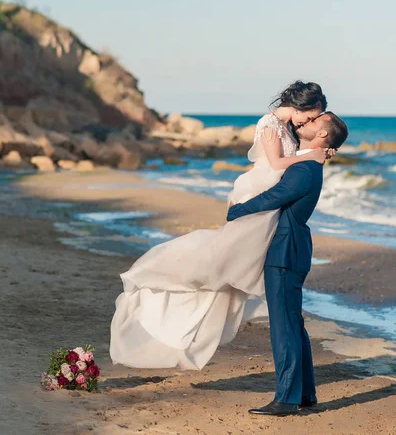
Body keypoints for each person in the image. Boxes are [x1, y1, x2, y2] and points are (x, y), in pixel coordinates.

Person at [110, 81, 329, 370]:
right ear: (300, 106)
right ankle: (165, 292)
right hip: (258, 190)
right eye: (311, 116)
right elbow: (276, 164)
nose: (309, 122)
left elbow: (295, 160)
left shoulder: (289, 128)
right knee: (222, 263)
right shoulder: (270, 123)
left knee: (235, 271)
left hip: (271, 200)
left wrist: (319, 149)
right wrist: (310, 155)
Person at [227, 112, 349, 416]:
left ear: (323, 135)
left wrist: (237, 210)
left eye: (314, 122)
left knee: (283, 326)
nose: (306, 124)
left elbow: (275, 196)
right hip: (292, 247)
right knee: (293, 322)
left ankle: (286, 399)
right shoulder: (309, 160)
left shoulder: (306, 168)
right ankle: (305, 393)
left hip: (286, 250)